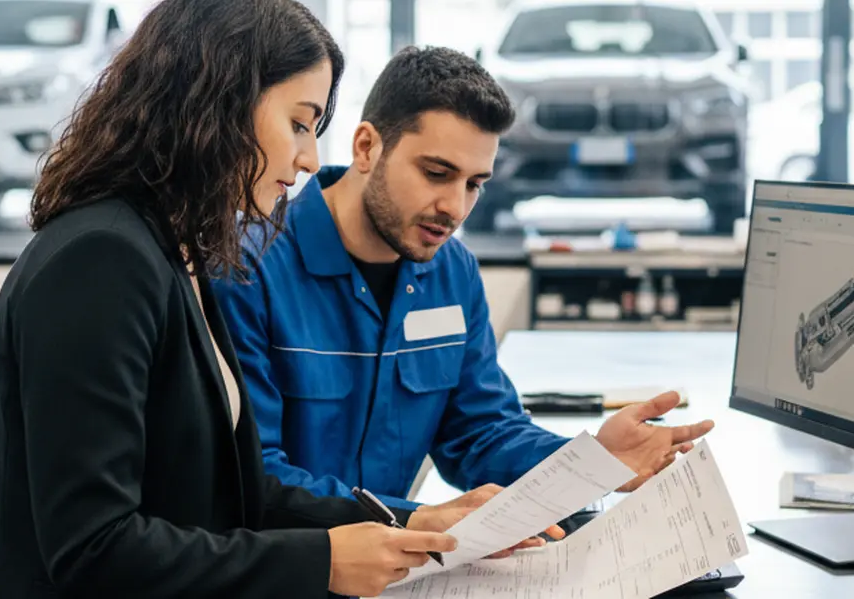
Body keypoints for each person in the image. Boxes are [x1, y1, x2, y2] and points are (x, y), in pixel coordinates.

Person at [0, 4, 541, 598]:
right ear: (222, 104)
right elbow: (94, 548)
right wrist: (322, 561)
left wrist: (410, 522)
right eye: (299, 123)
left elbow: (235, 488)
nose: (311, 158)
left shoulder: (176, 252)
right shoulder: (103, 258)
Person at [212, 46, 716, 511]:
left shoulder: (452, 271)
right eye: (436, 173)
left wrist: (589, 464)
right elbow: (256, 476)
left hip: (397, 560)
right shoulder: (246, 270)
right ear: (366, 147)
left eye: (475, 184)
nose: (454, 208)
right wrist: (416, 523)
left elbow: (480, 433)